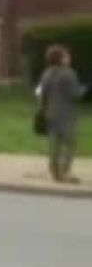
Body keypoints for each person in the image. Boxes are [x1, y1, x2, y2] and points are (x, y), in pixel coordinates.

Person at [38, 45, 86, 183]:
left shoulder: (46, 74)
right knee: (70, 143)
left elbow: (42, 94)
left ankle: (54, 171)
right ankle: (65, 172)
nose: (68, 58)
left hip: (50, 114)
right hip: (66, 115)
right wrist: (83, 89)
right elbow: (75, 94)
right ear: (60, 58)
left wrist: (43, 109)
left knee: (54, 144)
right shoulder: (69, 74)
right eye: (66, 56)